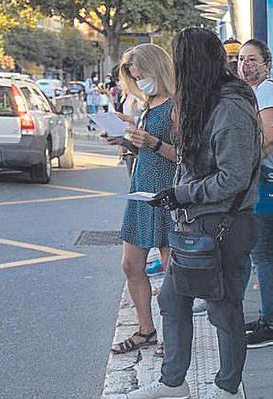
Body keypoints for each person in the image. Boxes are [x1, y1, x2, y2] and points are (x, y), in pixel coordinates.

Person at [125, 27, 261, 399]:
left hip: (223, 225)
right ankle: (173, 382)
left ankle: (227, 389)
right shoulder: (204, 101)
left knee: (223, 306)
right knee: (172, 298)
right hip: (195, 222)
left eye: (179, 61)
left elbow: (233, 178)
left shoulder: (231, 106)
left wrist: (183, 194)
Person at [107, 44, 180, 357]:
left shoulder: (178, 105)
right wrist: (125, 137)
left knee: (171, 272)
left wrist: (151, 141)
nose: (139, 81)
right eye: (135, 77)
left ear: (158, 69)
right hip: (141, 190)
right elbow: (145, 149)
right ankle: (145, 329)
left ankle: (173, 334)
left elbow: (185, 157)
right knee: (131, 265)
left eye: (142, 75)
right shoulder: (147, 104)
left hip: (167, 193)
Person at [236, 39, 273, 348]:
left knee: (263, 254)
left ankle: (272, 324)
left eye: (253, 58)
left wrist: (243, 169)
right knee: (271, 252)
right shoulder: (259, 91)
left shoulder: (267, 91)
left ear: (267, 63)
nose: (246, 64)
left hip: (270, 181)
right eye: (242, 58)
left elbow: (269, 138)